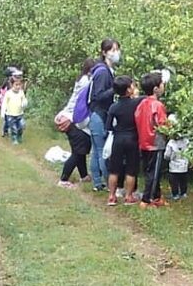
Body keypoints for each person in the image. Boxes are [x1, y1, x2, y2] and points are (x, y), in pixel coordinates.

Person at [87, 39, 122, 192]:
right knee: (102, 151)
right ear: (104, 52)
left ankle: (97, 183)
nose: (116, 53)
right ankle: (110, 184)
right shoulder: (102, 72)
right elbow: (98, 95)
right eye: (112, 50)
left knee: (96, 149)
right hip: (99, 114)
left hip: (96, 114)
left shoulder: (104, 70)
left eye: (117, 49)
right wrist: (115, 89)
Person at [57, 58, 95, 188]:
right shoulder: (87, 82)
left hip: (70, 117)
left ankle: (84, 175)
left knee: (80, 151)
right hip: (75, 120)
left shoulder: (81, 79)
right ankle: (63, 179)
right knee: (78, 153)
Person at [104, 75, 141, 206]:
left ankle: (112, 196)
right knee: (131, 169)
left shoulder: (114, 107)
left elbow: (108, 126)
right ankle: (129, 196)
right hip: (132, 139)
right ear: (129, 89)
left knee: (114, 169)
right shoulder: (136, 103)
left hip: (118, 139)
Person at [134, 70, 168, 208]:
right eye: (162, 84)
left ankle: (157, 196)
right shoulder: (158, 105)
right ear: (156, 88)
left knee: (150, 171)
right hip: (155, 143)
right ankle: (146, 200)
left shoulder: (142, 103)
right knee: (154, 173)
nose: (163, 86)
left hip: (143, 142)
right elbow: (163, 125)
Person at [164, 119, 190, 200]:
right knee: (183, 180)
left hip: (174, 167)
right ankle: (183, 193)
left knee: (174, 181)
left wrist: (167, 158)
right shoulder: (186, 141)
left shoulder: (171, 143)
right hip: (184, 166)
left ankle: (175, 194)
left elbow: (167, 155)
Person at [2, 73, 28, 144]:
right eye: (16, 85)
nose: (18, 87)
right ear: (12, 85)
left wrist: (24, 103)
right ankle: (14, 139)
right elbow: (4, 103)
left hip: (19, 113)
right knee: (13, 128)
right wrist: (3, 112)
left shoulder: (21, 92)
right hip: (10, 114)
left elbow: (24, 100)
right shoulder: (8, 93)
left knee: (21, 125)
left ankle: (19, 136)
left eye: (19, 85)